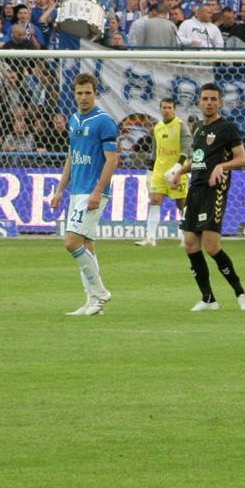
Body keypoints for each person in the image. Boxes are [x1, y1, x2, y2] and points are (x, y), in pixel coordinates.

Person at [169, 83, 245, 312]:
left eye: (213, 99)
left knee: (212, 246)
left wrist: (221, 166)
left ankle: (241, 293)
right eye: (205, 99)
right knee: (190, 244)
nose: (209, 103)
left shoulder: (227, 128)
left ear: (220, 102)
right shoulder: (197, 128)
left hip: (214, 191)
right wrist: (180, 171)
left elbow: (242, 159)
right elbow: (197, 159)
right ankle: (208, 299)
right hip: (195, 190)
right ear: (199, 102)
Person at [49, 74, 119, 316]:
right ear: (74, 95)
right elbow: (72, 157)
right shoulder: (74, 119)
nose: (84, 97)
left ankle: (100, 292)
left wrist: (98, 192)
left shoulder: (104, 121)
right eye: (79, 93)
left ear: (95, 93)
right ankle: (92, 302)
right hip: (77, 191)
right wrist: (60, 190)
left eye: (88, 92)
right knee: (87, 244)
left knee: (71, 243)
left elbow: (112, 160)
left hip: (93, 191)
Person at [136, 98, 192, 247]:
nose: (167, 110)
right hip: (159, 171)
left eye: (169, 108)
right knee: (155, 200)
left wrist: (178, 166)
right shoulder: (157, 127)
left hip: (178, 172)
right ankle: (150, 238)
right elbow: (155, 151)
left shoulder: (181, 126)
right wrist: (150, 170)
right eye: (164, 108)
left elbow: (186, 149)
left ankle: (186, 237)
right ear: (160, 109)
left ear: (174, 109)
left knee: (182, 203)